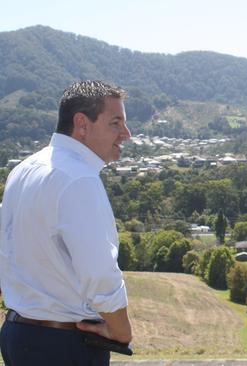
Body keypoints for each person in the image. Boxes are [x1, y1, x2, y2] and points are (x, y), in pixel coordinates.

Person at [0, 80, 133, 365]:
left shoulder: (23, 170)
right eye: (115, 123)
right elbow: (99, 274)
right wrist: (122, 331)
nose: (126, 133)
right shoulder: (79, 179)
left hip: (16, 334)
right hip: (65, 345)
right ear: (82, 124)